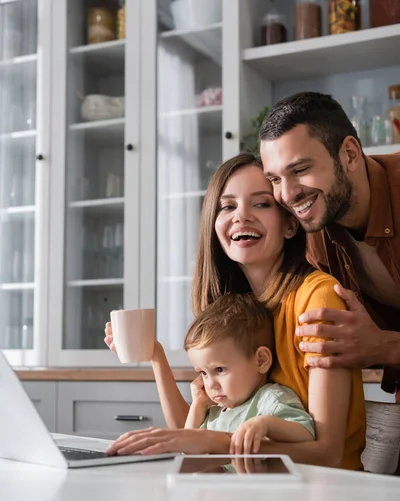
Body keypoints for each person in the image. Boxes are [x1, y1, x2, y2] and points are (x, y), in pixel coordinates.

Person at [105, 152, 366, 469]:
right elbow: (191, 431)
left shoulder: (318, 299)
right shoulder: (235, 310)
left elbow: (328, 454)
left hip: (325, 495)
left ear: (289, 225)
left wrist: (218, 444)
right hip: (257, 495)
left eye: (261, 204)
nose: (241, 217)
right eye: (228, 206)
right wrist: (155, 355)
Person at [259, 91, 400, 401]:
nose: (287, 194)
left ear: (349, 154)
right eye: (275, 178)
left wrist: (385, 346)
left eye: (299, 170)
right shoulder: (313, 233)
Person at [182, 294, 315, 454]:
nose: (210, 384)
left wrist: (265, 425)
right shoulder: (215, 413)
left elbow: (306, 434)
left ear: (261, 361)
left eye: (219, 370)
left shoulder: (270, 401)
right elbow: (188, 451)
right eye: (203, 373)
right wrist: (198, 405)